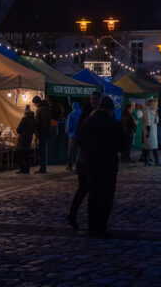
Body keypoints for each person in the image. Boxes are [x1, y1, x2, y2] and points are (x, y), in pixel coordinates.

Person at [79, 96, 126, 238]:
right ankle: (102, 226)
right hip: (108, 164)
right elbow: (122, 145)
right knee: (106, 196)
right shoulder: (113, 123)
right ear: (111, 110)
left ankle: (91, 226)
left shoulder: (87, 122)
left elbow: (79, 142)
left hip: (90, 163)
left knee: (93, 195)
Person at [66, 91, 101, 231]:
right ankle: (90, 221)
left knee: (85, 189)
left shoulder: (98, 112)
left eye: (96, 99)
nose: (94, 101)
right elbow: (80, 130)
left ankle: (76, 215)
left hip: (89, 157)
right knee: (87, 189)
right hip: (87, 157)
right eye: (92, 99)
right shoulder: (87, 111)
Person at [32, 96, 51, 174]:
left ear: (37, 102)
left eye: (34, 103)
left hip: (42, 133)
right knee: (42, 151)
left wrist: (36, 121)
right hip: (44, 133)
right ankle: (43, 167)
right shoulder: (45, 108)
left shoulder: (42, 109)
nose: (34, 105)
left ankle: (42, 168)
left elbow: (42, 123)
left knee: (42, 151)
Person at [16, 105, 36, 174]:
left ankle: (22, 169)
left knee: (20, 154)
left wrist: (20, 131)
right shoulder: (33, 120)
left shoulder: (24, 119)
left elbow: (19, 129)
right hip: (29, 139)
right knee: (26, 155)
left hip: (22, 139)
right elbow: (34, 130)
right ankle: (27, 170)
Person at [143, 99, 161, 166]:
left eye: (155, 104)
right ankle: (150, 161)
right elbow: (147, 119)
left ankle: (153, 161)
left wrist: (156, 115)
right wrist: (148, 127)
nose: (154, 105)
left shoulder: (154, 110)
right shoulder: (147, 109)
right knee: (150, 145)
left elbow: (157, 121)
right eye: (153, 104)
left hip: (153, 129)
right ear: (150, 103)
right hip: (149, 129)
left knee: (152, 145)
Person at [66, 102, 81, 171]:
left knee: (71, 151)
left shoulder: (71, 115)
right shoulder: (82, 114)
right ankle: (79, 165)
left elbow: (69, 126)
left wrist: (68, 132)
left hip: (72, 135)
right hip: (80, 135)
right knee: (79, 151)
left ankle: (69, 165)